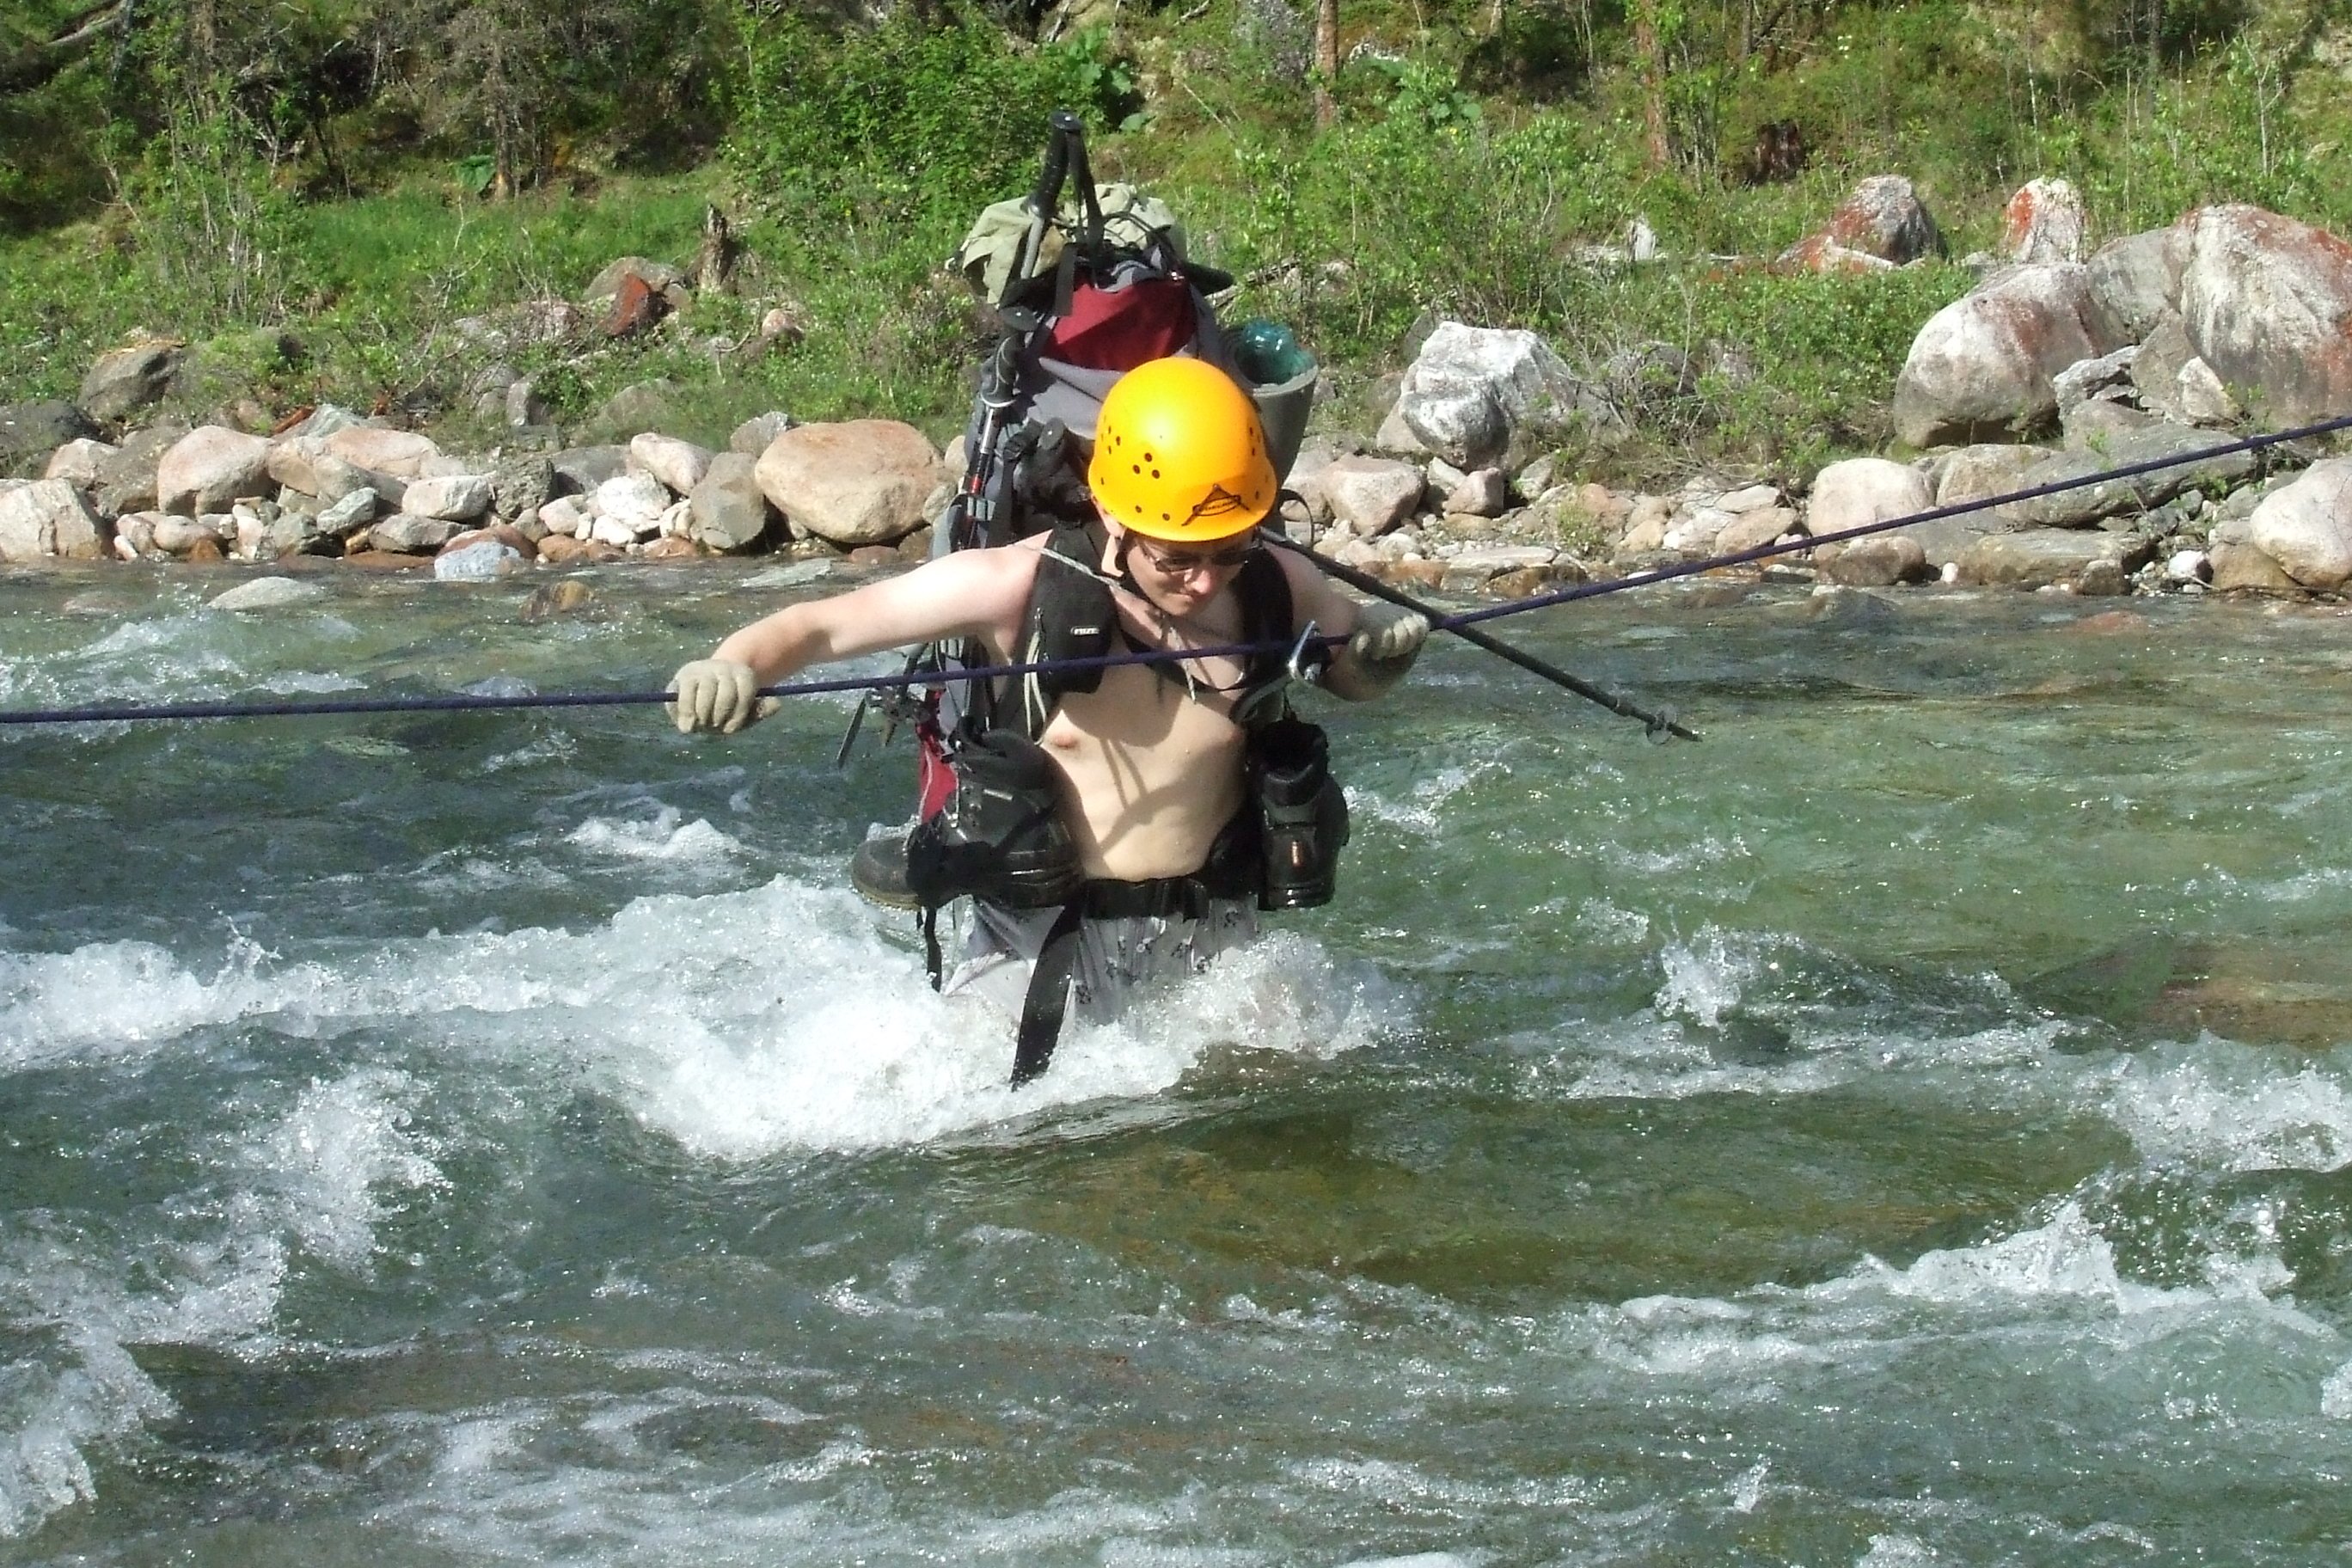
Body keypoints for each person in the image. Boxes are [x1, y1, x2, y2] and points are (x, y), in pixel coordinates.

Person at [668, 357, 1427, 1081]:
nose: (1204, 580)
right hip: (1039, 946)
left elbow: (1351, 671)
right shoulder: (1013, 586)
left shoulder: (1277, 583)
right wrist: (735, 663)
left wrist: (1376, 660)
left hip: (1214, 946)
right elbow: (820, 627)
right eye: (1175, 559)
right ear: (1110, 510)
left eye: (1226, 551)